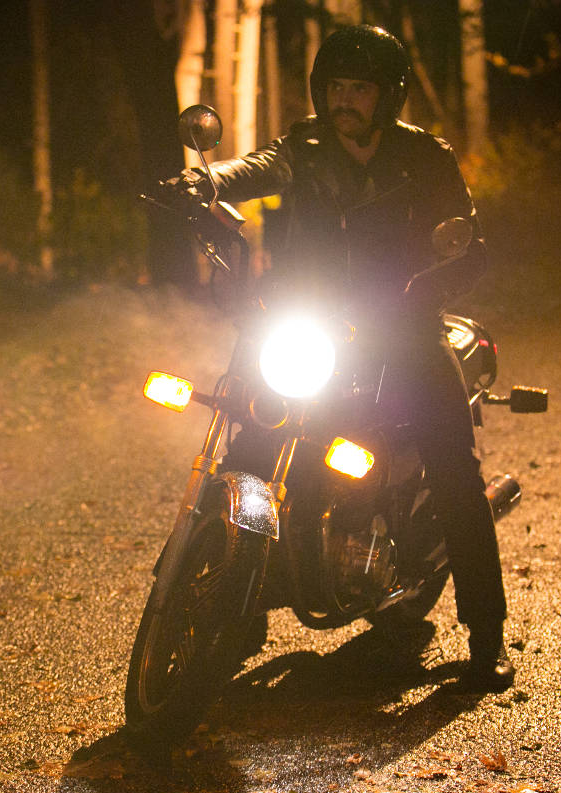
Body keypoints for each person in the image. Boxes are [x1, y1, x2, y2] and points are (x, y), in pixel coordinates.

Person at [165, 24, 515, 691]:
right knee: (254, 450)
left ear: (387, 97)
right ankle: (238, 607)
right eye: (337, 88)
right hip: (314, 323)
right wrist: (203, 184)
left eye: (360, 89)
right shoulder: (306, 146)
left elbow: (471, 249)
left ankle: (486, 633)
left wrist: (431, 278)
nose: (346, 101)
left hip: (403, 329)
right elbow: (253, 171)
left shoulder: (425, 159)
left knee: (453, 469)